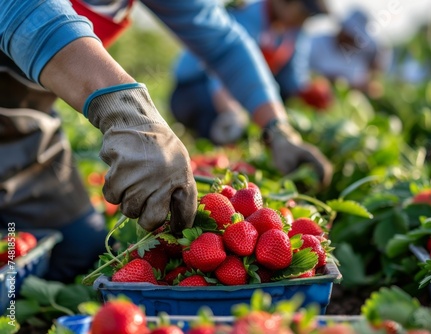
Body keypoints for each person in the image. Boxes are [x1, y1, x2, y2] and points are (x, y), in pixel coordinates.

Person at [0, 0, 332, 281]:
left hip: (22, 119)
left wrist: (277, 128)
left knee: (79, 252)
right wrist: (127, 111)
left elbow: (223, 41)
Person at [170, 0, 334, 146]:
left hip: (235, 90)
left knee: (280, 97)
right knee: (218, 123)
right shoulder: (244, 15)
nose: (302, 22)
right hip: (195, 89)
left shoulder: (293, 31)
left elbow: (291, 78)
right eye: (302, 14)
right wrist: (231, 112)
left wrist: (307, 93)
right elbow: (225, 64)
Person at [308, 9, 384, 92]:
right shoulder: (316, 42)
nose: (351, 41)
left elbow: (360, 84)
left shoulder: (357, 60)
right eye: (349, 36)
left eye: (353, 39)